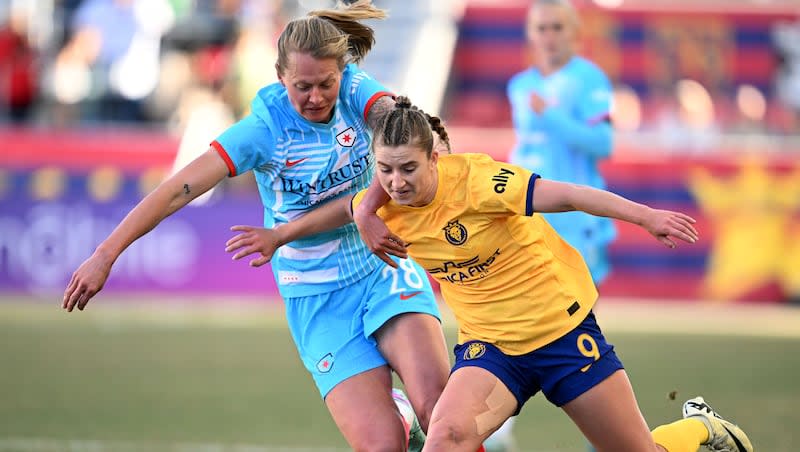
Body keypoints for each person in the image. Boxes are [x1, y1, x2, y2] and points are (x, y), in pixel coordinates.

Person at [229, 96, 753, 452]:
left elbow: (567, 195)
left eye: (408, 169)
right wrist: (279, 234)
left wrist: (647, 216)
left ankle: (700, 428)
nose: (396, 182)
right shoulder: (383, 199)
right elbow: (345, 208)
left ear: (434, 158)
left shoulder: (481, 181)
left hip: (563, 336)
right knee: (445, 438)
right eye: (384, 170)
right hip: (493, 350)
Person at [62, 3, 451, 451]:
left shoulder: (357, 90)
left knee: (439, 411)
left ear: (343, 72)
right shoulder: (263, 131)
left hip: (382, 269)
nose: (317, 97)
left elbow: (401, 134)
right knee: (383, 445)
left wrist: (366, 207)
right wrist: (104, 254)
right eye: (302, 87)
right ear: (280, 78)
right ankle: (398, 417)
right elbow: (176, 190)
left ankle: (419, 415)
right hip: (317, 297)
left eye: (327, 83)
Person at [507, 0, 616, 285]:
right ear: (530, 33)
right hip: (532, 211)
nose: (549, 37)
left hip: (577, 212)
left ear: (574, 31)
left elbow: (603, 143)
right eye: (542, 28)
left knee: (582, 310)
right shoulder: (520, 85)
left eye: (557, 27)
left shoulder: (589, 78)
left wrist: (551, 116)